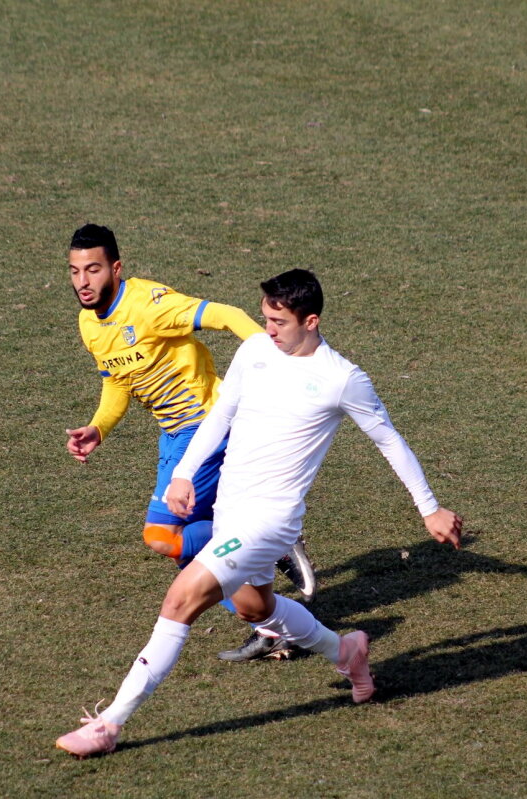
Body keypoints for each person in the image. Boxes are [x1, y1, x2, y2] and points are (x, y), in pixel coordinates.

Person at [56, 268, 463, 758]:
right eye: (265, 318)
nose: (267, 329)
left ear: (310, 321)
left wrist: (429, 508)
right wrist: (183, 474)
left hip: (270, 520)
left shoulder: (341, 379)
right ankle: (346, 650)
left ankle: (110, 724)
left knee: (181, 599)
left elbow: (389, 441)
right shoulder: (254, 351)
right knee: (255, 608)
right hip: (230, 509)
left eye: (278, 322)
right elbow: (221, 415)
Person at [63, 224, 317, 654]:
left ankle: (264, 538)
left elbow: (226, 314)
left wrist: (271, 358)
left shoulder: (149, 304)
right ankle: (270, 625)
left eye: (93, 269)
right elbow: (118, 380)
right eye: (75, 271)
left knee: (162, 535)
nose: (83, 281)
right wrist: (99, 426)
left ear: (116, 269)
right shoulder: (89, 323)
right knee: (186, 551)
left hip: (206, 427)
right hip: (172, 435)